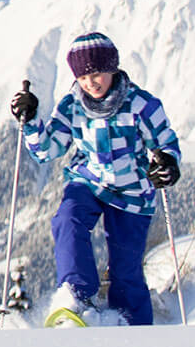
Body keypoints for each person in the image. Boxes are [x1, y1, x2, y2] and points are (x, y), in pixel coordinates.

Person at [10, 31, 182, 327]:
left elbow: (166, 142)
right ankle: (75, 297)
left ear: (112, 68)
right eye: (84, 77)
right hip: (87, 182)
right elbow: (46, 150)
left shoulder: (141, 105)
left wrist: (167, 163)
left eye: (98, 73)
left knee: (126, 269)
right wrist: (31, 119)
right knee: (68, 220)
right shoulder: (72, 105)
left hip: (132, 191)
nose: (92, 82)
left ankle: (133, 325)